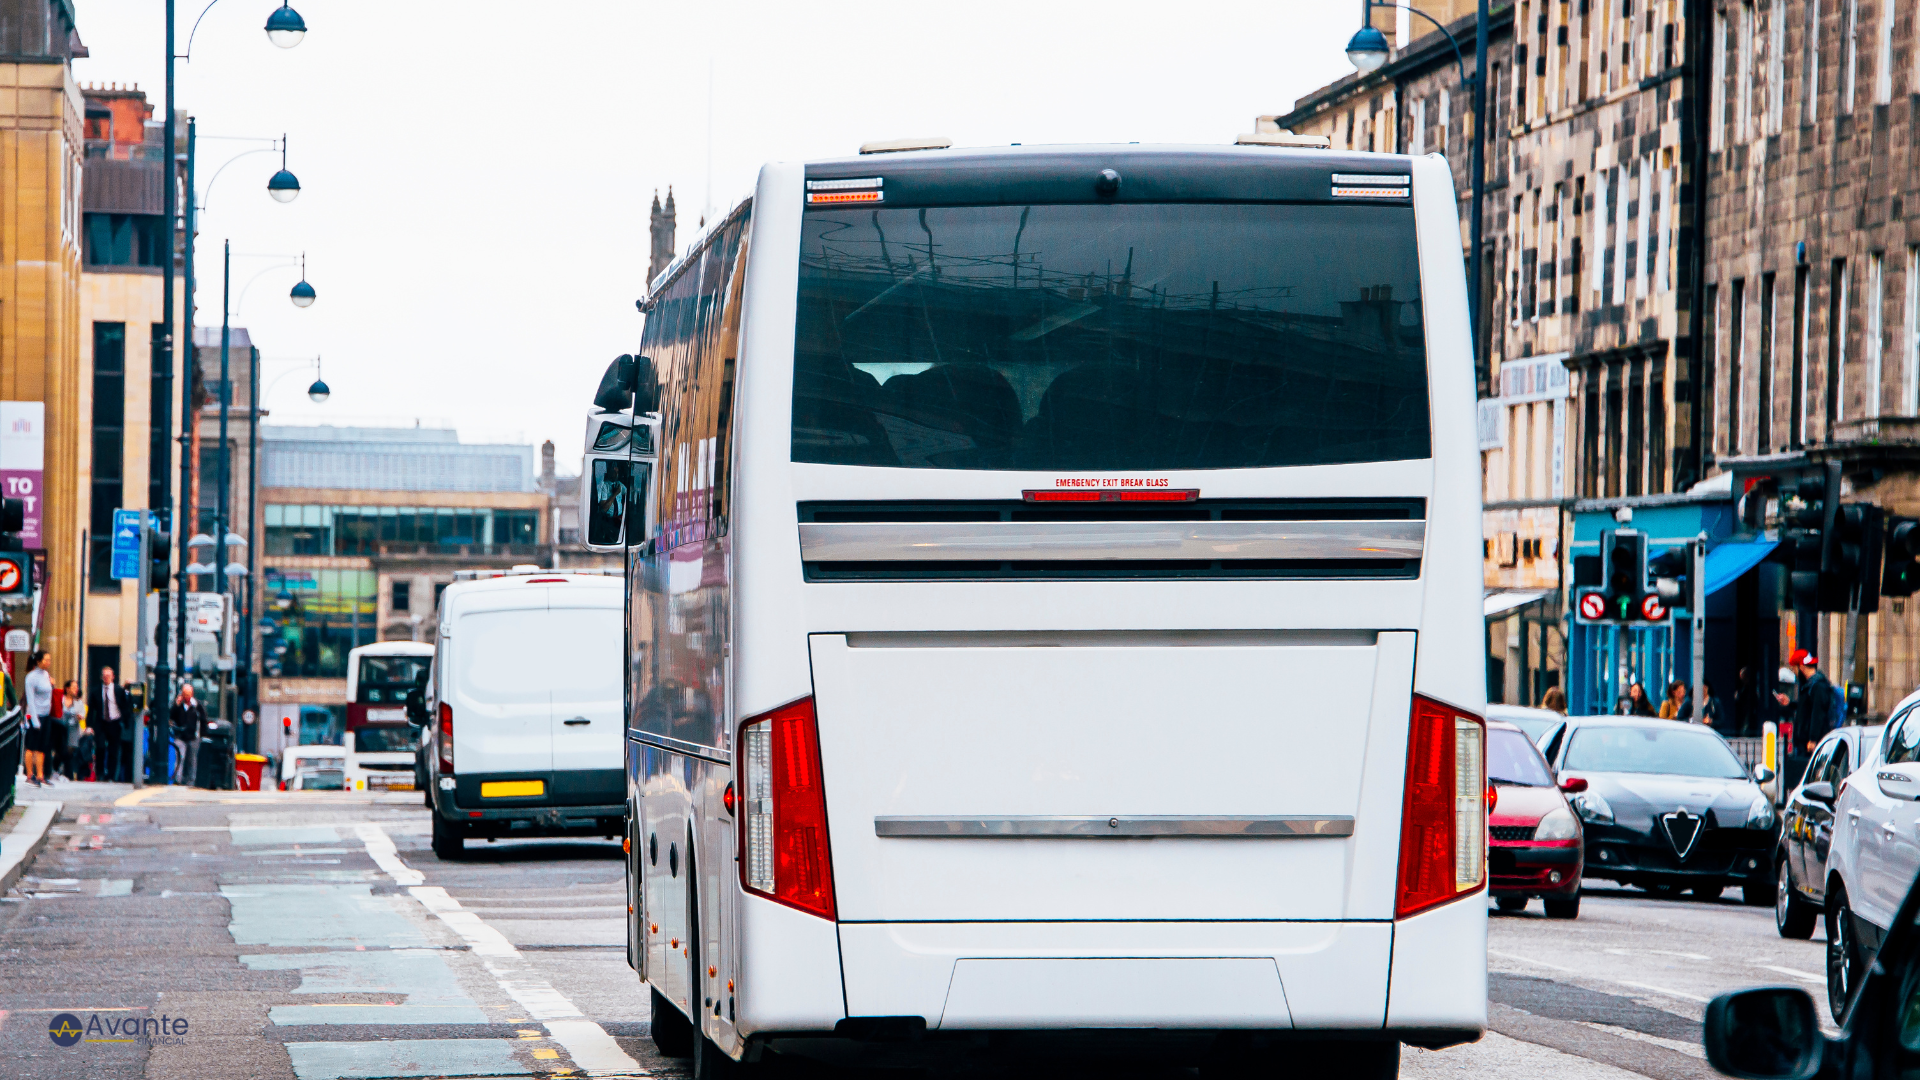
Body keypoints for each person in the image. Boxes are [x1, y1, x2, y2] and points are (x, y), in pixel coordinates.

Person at [1776, 649, 1842, 788]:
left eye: (1794, 668)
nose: (1794, 672)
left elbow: (1818, 714)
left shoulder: (1818, 686)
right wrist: (1790, 703)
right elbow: (1806, 709)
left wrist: (1812, 739)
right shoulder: (1811, 686)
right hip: (1805, 742)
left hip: (1810, 744)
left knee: (1809, 779)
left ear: (1801, 666)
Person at [90, 666, 132, 784]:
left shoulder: (119, 690)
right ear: (101, 677)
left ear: (113, 677)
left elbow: (125, 706)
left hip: (115, 722)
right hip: (101, 722)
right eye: (104, 676)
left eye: (108, 676)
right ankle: (100, 773)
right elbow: (92, 709)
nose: (106, 678)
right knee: (100, 747)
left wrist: (125, 721)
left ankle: (111, 775)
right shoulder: (96, 691)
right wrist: (90, 725)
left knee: (113, 750)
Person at [21, 650, 52, 786]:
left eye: (49, 660)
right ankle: (29, 774)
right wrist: (34, 720)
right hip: (35, 714)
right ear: (38, 661)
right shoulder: (31, 677)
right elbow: (30, 699)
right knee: (31, 745)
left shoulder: (46, 675)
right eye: (46, 660)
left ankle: (40, 775)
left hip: (46, 714)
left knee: (42, 746)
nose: (48, 662)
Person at [170, 685, 205, 786]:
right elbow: (171, 716)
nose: (187, 697)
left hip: (193, 737)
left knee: (192, 759)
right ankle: (178, 779)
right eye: (185, 694)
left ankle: (191, 780)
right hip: (180, 736)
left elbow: (203, 719)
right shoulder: (178, 706)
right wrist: (176, 705)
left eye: (189, 695)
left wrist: (203, 735)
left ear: (192, 694)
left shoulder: (197, 705)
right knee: (180, 757)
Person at [62, 679, 88, 780]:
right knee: (62, 750)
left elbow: (82, 714)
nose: (76, 689)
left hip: (73, 728)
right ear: (67, 689)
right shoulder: (61, 699)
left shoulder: (78, 702)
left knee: (70, 751)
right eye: (73, 687)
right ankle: (63, 771)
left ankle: (68, 774)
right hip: (61, 727)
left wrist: (80, 716)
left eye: (77, 687)